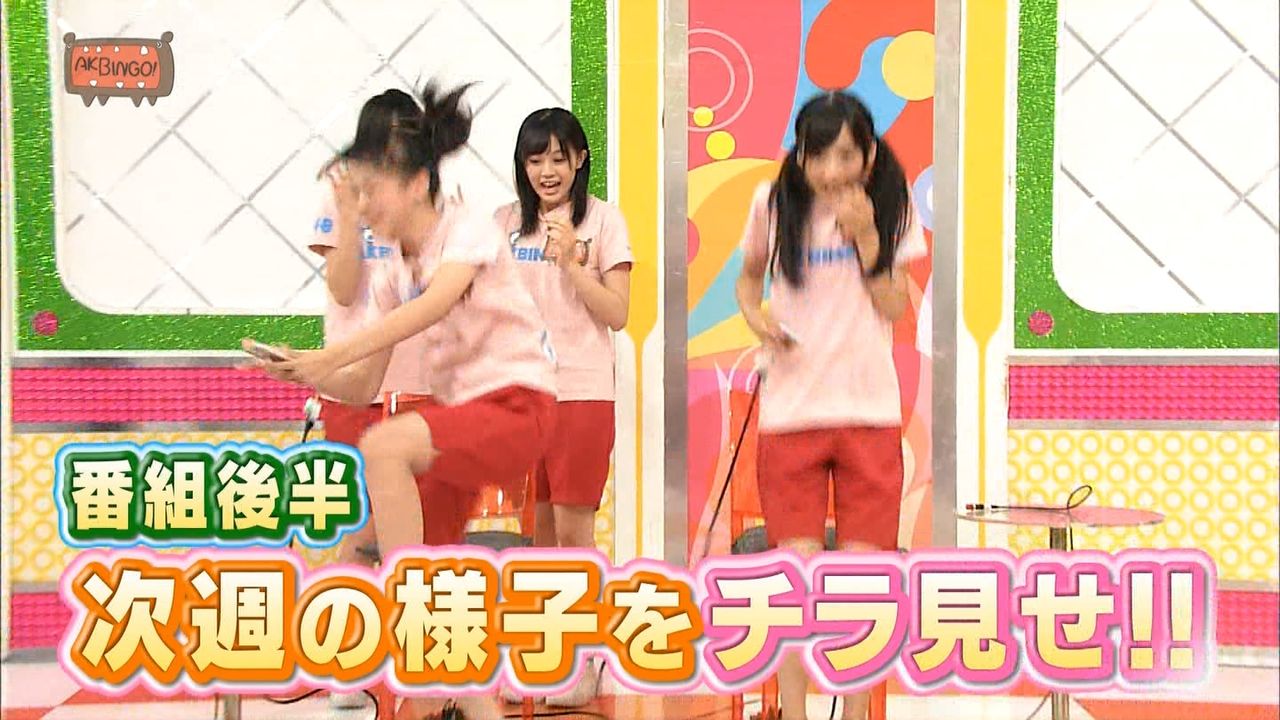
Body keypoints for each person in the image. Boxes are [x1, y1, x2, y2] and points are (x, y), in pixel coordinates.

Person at [257, 82, 556, 720]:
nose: (363, 207)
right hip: (458, 423)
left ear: (419, 182)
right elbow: (365, 384)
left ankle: (407, 606)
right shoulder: (393, 268)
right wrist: (305, 372)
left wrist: (331, 354)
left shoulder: (466, 228)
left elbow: (434, 305)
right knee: (436, 628)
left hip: (518, 405)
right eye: (356, 193)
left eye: (372, 191)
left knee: (385, 447)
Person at [735, 90, 927, 720]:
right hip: (792, 414)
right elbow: (747, 280)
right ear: (800, 155)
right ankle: (792, 711)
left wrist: (867, 234)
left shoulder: (892, 204)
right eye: (817, 155)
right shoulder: (771, 203)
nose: (830, 170)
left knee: (862, 585)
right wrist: (756, 318)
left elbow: (895, 306)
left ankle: (853, 710)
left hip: (869, 414)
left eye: (845, 155)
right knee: (793, 581)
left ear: (868, 155)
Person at [491, 107, 631, 707]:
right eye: (535, 159)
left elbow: (617, 313)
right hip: (524, 396)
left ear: (580, 160)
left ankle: (584, 656)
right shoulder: (504, 224)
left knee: (574, 533)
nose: (547, 171)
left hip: (582, 391)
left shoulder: (603, 221)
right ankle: (543, 652)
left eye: (558, 158)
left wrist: (573, 262)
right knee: (540, 534)